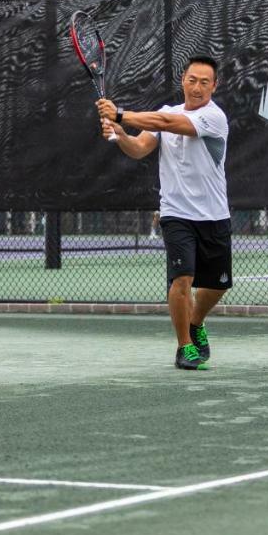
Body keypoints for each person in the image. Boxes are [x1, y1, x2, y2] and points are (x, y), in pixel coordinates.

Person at [96, 56, 229, 371]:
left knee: (219, 284)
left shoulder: (214, 117)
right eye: (192, 79)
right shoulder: (165, 111)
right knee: (182, 279)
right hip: (176, 213)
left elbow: (168, 125)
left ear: (214, 85)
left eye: (204, 82)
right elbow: (140, 147)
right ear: (183, 80)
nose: (197, 87)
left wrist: (121, 114)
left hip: (214, 214)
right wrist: (120, 135)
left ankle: (196, 322)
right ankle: (185, 346)